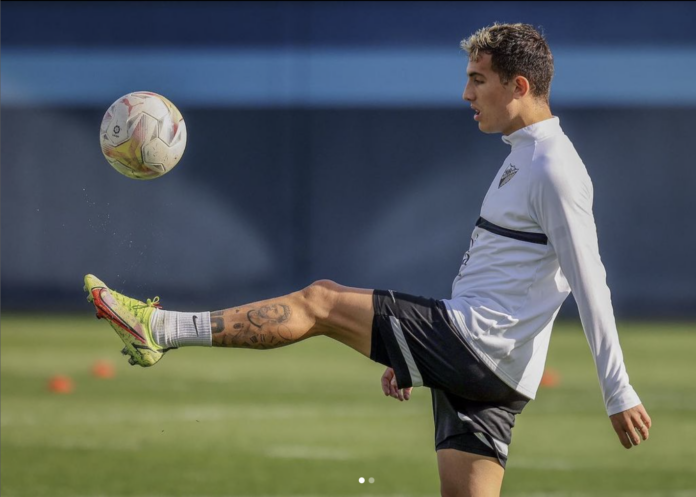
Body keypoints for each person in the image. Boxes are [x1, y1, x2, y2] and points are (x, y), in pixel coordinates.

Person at [84, 23, 651, 497]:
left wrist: (618, 390)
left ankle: (158, 328)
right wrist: (420, 357)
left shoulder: (553, 167)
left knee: (321, 301)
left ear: (519, 85)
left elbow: (589, 280)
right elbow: (508, 276)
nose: (466, 94)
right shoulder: (524, 156)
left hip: (479, 346)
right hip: (494, 368)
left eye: (478, 80)